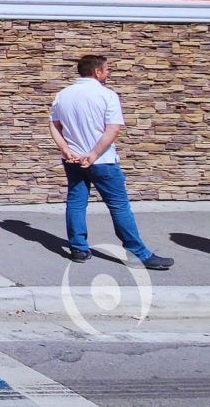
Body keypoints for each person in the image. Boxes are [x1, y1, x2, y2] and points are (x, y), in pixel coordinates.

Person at [49, 55, 173, 270]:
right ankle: (138, 254)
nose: (108, 74)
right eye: (106, 70)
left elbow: (53, 124)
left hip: (73, 160)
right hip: (102, 161)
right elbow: (113, 129)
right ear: (97, 72)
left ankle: (78, 248)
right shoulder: (107, 95)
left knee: (76, 202)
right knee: (119, 206)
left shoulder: (63, 95)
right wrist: (94, 154)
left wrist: (66, 149)